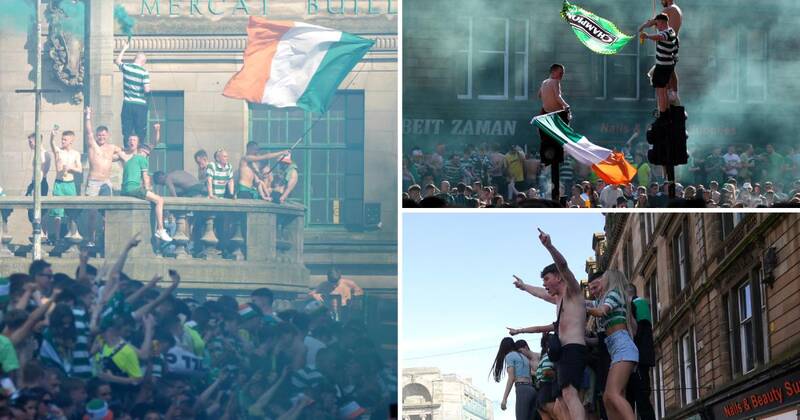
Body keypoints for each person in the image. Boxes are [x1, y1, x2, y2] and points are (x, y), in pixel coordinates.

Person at [507, 228, 587, 420]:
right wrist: (525, 287)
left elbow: (564, 265)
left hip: (573, 348)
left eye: (547, 279)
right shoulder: (558, 299)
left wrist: (549, 246)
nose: (544, 284)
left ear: (558, 277)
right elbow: (540, 294)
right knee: (563, 398)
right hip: (563, 353)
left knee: (569, 394)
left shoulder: (573, 293)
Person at [586, 270, 638, 420]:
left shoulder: (614, 294)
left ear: (609, 280)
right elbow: (582, 302)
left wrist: (586, 310)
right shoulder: (604, 299)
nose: (600, 283)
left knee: (613, 395)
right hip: (616, 349)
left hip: (622, 346)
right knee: (608, 398)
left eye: (602, 280)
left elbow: (601, 312)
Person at [120, 141, 172, 242]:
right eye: (147, 154)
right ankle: (160, 230)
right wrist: (148, 190)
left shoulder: (129, 161)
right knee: (159, 200)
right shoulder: (142, 159)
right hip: (133, 189)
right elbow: (145, 178)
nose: (147, 157)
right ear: (143, 152)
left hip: (124, 190)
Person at [538, 64, 571, 200]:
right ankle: (562, 145)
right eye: (561, 72)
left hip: (546, 115)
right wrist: (566, 106)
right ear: (554, 72)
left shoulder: (544, 82)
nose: (562, 75)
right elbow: (557, 96)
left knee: (547, 141)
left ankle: (551, 156)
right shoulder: (555, 82)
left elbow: (539, 95)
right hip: (556, 115)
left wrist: (547, 99)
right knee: (567, 123)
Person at [639, 0, 683, 103]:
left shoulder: (669, 9)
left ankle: (670, 100)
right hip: (673, 43)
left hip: (668, 43)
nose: (660, 1)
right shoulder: (677, 9)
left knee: (665, 71)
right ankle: (673, 95)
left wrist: (643, 27)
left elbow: (653, 22)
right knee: (670, 69)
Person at [625, 283, 656, 420]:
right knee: (630, 400)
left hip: (639, 361)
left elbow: (641, 330)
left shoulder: (639, 302)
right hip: (633, 360)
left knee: (642, 401)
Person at [640, 14, 679, 121]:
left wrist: (647, 36)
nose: (656, 27)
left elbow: (660, 37)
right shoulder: (672, 31)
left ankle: (663, 114)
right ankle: (664, 112)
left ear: (661, 22)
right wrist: (644, 26)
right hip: (667, 65)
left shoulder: (666, 33)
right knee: (663, 90)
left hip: (662, 66)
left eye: (657, 24)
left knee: (660, 92)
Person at [48, 128, 83, 244]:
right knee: (57, 213)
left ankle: (72, 235)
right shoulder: (59, 151)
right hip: (59, 184)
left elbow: (80, 170)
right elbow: (52, 144)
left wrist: (70, 168)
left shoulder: (75, 154)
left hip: (70, 184)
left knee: (71, 213)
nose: (62, 141)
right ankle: (57, 238)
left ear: (71, 141)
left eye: (65, 140)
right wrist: (52, 136)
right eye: (62, 139)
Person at [491, 337, 536, 420]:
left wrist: (504, 399)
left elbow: (511, 378)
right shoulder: (524, 357)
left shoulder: (509, 356)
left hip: (522, 389)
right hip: (532, 389)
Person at [115, 41, 151, 144]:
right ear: (143, 61)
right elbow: (146, 89)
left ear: (135, 58)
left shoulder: (127, 67)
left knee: (127, 130)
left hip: (127, 103)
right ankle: (139, 149)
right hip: (140, 105)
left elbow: (117, 61)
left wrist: (124, 48)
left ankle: (127, 148)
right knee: (140, 130)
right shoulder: (144, 72)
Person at [25, 133, 51, 229]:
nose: (29, 144)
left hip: (40, 183)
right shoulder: (37, 152)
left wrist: (35, 186)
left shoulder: (44, 154)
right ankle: (36, 233)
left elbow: (44, 170)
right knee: (31, 210)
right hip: (34, 183)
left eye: (30, 142)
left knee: (39, 211)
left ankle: (41, 234)